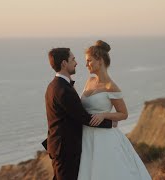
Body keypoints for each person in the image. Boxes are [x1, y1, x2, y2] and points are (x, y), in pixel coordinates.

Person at [78, 40, 151, 180]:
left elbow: (124, 114)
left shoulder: (111, 87)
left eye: (89, 61)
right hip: (86, 136)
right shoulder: (90, 81)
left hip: (104, 139)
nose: (86, 65)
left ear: (100, 61)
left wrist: (104, 115)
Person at [44, 48, 115, 180]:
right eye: (73, 59)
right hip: (65, 149)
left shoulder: (53, 85)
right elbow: (83, 117)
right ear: (64, 63)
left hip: (59, 147)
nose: (76, 63)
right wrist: (111, 122)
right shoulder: (63, 89)